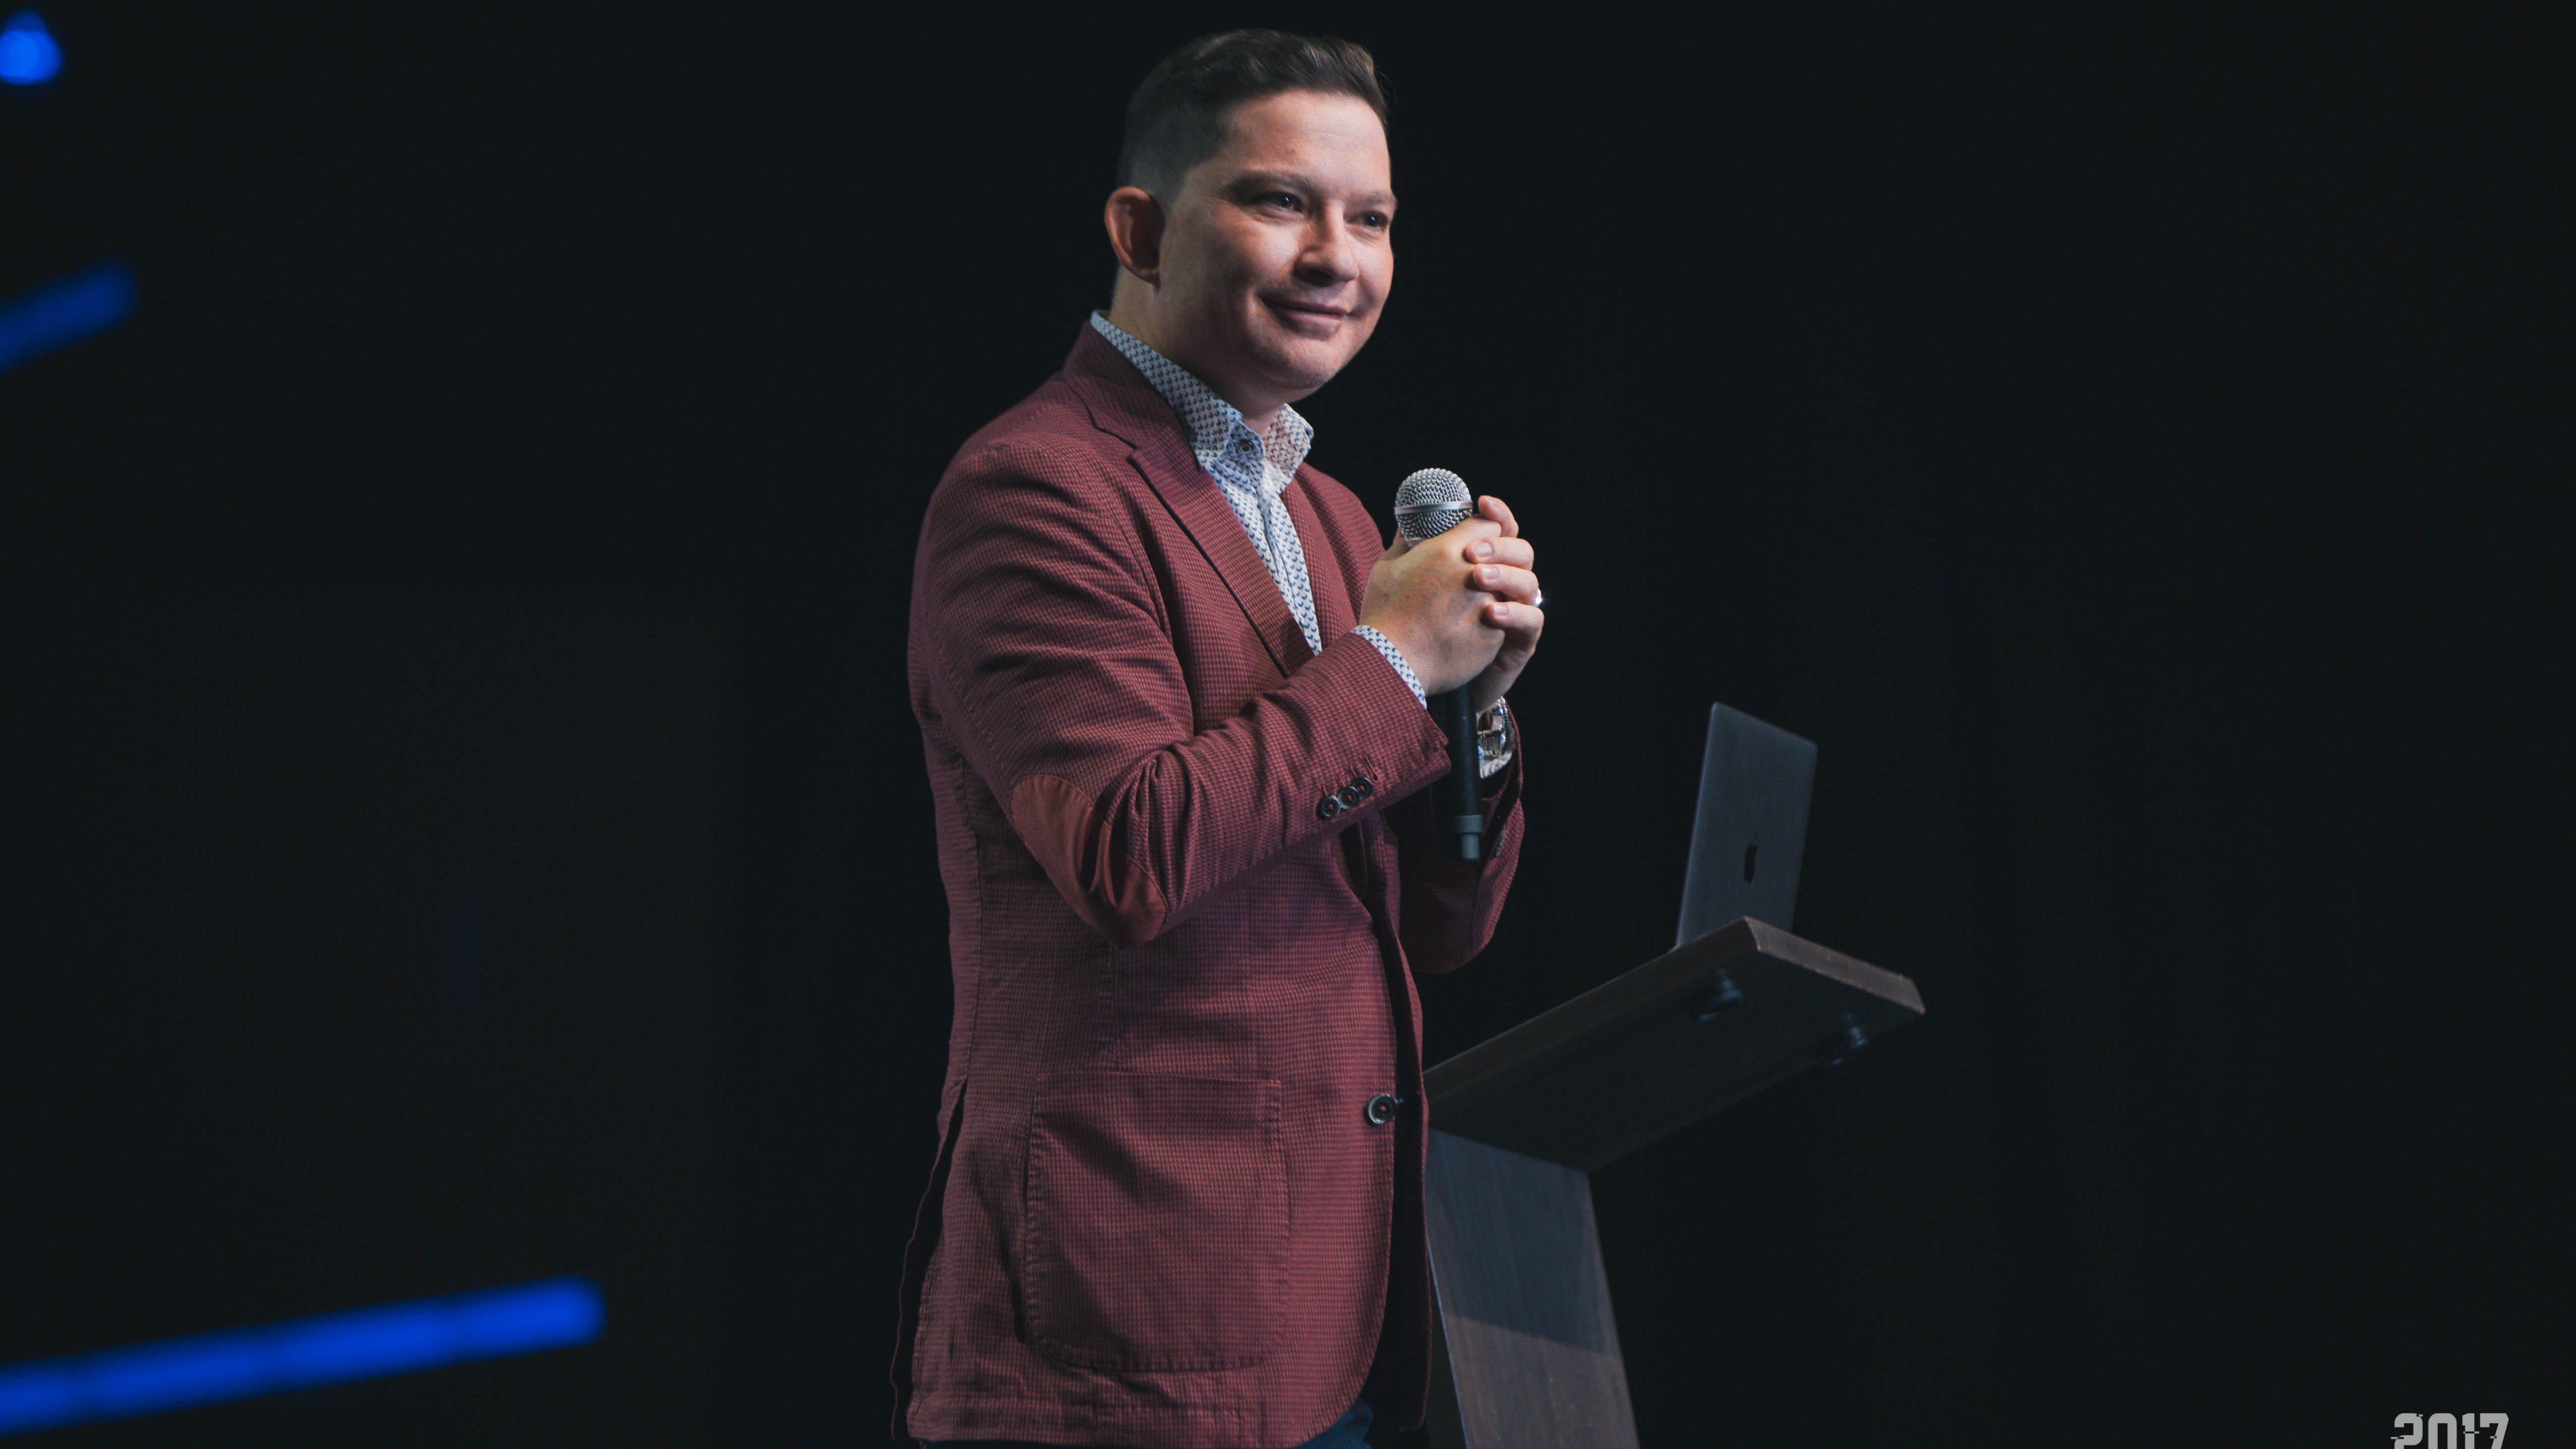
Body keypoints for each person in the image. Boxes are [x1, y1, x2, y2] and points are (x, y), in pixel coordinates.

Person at [892, 30, 1543, 1449]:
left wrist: (1471, 703)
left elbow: (1434, 925)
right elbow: (1126, 851)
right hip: (1126, 1340)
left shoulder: (1336, 517)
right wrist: (1390, 661)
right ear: (1139, 228)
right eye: (1278, 202)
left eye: (1369, 218)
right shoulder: (1033, 489)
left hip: (1327, 1317)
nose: (1338, 255)